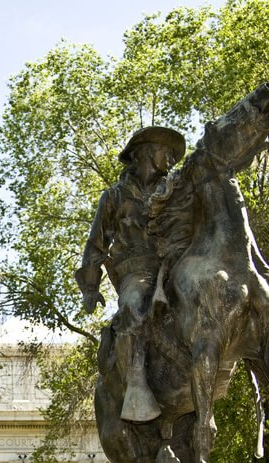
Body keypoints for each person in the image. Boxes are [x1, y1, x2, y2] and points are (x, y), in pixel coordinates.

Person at [75, 126, 187, 422]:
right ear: (148, 153)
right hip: (136, 270)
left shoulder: (176, 189)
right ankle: (136, 380)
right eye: (167, 152)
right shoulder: (114, 197)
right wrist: (90, 287)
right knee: (133, 306)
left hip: (174, 266)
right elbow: (95, 244)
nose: (173, 159)